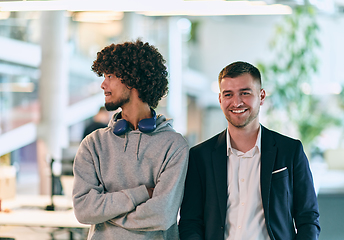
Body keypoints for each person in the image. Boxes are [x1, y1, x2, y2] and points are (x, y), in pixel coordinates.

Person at [178, 61, 320, 240]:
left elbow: (308, 217)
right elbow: (190, 222)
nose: (237, 102)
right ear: (220, 99)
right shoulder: (200, 157)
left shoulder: (290, 151)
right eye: (228, 94)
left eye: (245, 93)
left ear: (261, 96)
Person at [72, 40, 189, 240]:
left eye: (109, 76)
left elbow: (162, 215)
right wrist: (142, 194)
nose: (103, 84)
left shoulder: (173, 145)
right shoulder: (93, 144)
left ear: (132, 79)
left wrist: (106, 215)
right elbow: (84, 211)